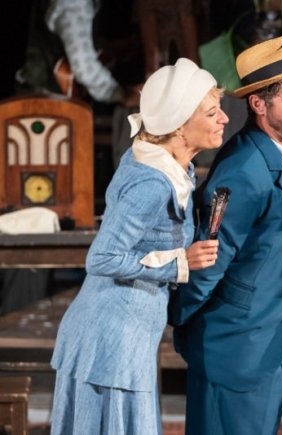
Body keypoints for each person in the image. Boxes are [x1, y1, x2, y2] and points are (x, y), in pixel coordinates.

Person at [49, 58, 227, 435]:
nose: (224, 119)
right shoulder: (152, 183)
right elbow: (101, 258)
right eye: (212, 113)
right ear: (178, 125)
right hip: (112, 338)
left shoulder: (166, 163)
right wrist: (179, 262)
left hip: (126, 335)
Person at [168, 37, 282, 434]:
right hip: (236, 348)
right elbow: (210, 260)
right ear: (259, 104)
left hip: (273, 340)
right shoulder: (243, 171)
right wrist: (184, 324)